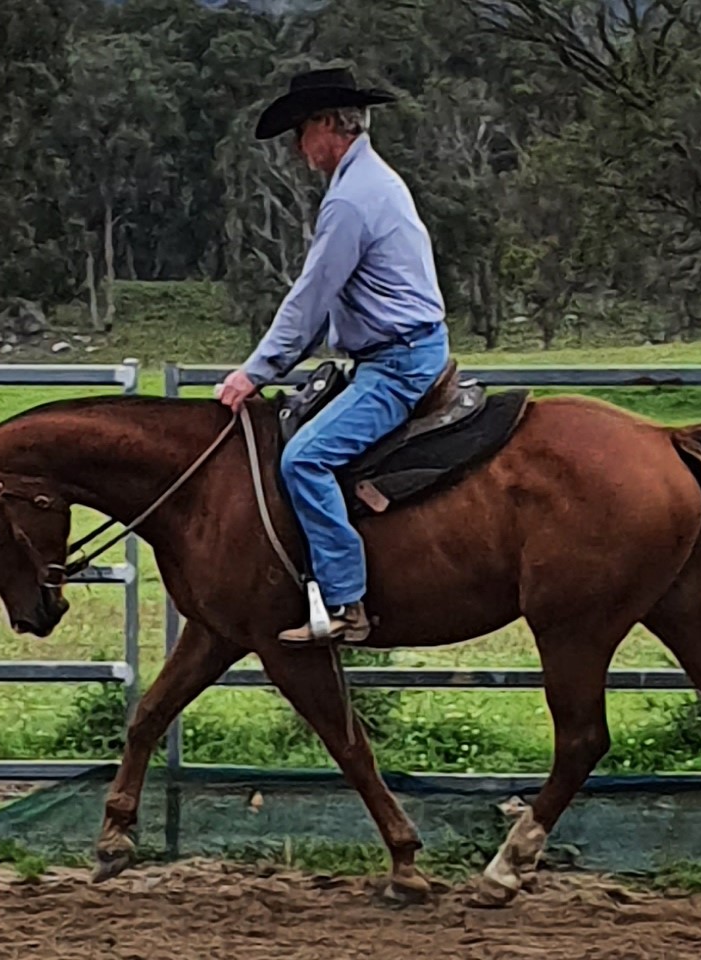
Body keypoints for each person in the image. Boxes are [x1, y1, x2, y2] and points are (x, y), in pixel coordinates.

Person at [215, 66, 450, 645]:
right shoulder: (371, 182)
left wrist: (254, 372)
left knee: (304, 459)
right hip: (397, 353)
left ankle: (346, 602)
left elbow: (312, 295)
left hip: (397, 366)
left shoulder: (350, 200)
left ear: (327, 125)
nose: (299, 146)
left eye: (301, 130)